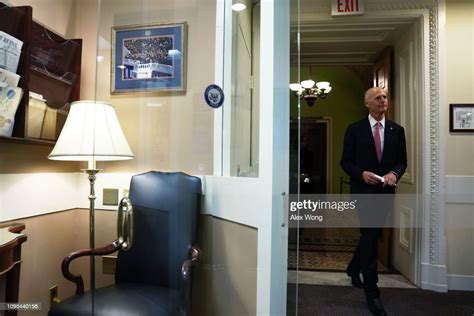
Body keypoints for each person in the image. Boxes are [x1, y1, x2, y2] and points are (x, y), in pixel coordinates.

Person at [340, 87, 407, 316]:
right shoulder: (354, 130)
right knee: (370, 235)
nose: (383, 100)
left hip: (385, 194)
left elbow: (402, 162)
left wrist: (394, 175)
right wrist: (361, 174)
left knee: (371, 234)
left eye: (385, 97)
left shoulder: (397, 130)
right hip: (363, 192)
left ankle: (352, 268)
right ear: (367, 103)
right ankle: (372, 292)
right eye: (378, 97)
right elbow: (345, 162)